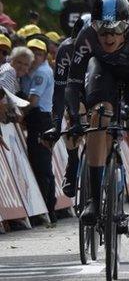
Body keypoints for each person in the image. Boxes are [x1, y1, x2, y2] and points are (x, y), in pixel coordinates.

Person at [64, 0, 129, 240]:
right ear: (93, 26)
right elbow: (73, 84)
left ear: (126, 27)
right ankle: (95, 201)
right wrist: (76, 121)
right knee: (98, 118)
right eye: (102, 30)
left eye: (115, 29)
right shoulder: (86, 34)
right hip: (103, 70)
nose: (108, 37)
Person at [42, 14, 91, 198]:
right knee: (73, 115)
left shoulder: (104, 48)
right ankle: (72, 162)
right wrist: (56, 124)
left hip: (98, 87)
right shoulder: (66, 49)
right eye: (78, 42)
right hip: (75, 89)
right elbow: (60, 90)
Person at [20, 38, 56, 223]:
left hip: (40, 119)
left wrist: (19, 115)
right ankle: (48, 208)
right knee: (40, 164)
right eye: (32, 53)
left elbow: (33, 101)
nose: (35, 57)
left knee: (41, 165)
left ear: (44, 56)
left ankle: (46, 209)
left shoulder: (41, 73)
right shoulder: (30, 72)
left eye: (39, 53)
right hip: (37, 119)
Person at [0, 47, 34, 122]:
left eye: (26, 64)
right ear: (12, 60)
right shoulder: (10, 71)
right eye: (19, 62)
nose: (22, 67)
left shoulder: (14, 74)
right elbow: (1, 96)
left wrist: (16, 111)